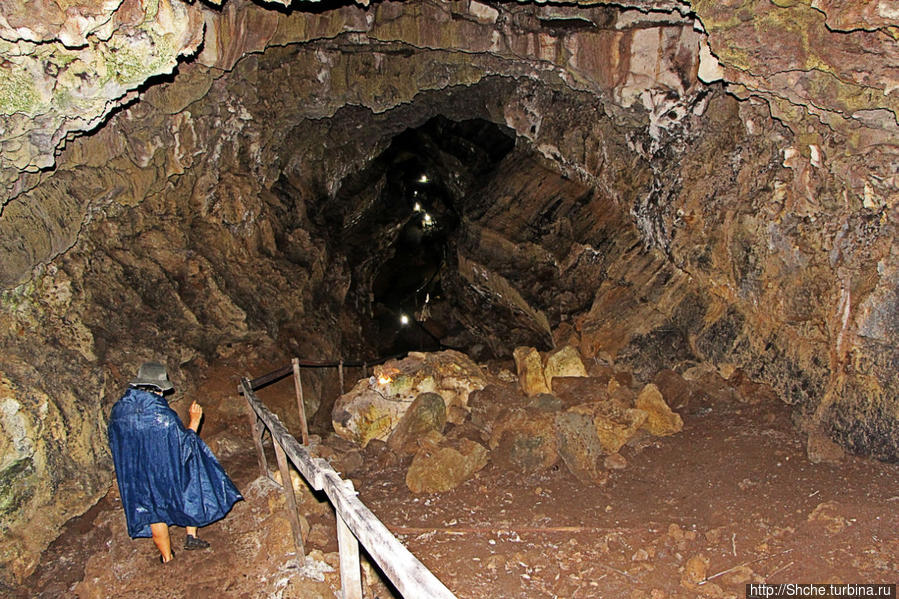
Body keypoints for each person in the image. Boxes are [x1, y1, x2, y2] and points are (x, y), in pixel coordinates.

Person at [108, 362, 242, 563]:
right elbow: (184, 447)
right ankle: (191, 534)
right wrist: (194, 421)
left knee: (153, 510)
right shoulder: (162, 415)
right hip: (163, 470)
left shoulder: (119, 410)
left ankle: (167, 558)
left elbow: (115, 440)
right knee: (192, 471)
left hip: (137, 473)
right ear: (160, 389)